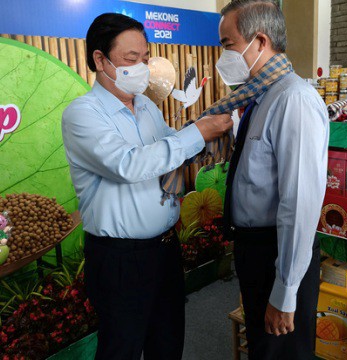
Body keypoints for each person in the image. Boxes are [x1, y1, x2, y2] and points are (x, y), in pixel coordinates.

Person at [61, 13, 232, 360]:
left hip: (165, 250)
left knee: (167, 342)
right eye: (130, 59)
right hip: (120, 259)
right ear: (100, 59)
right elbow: (129, 164)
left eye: (145, 58)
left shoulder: (147, 106)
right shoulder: (83, 114)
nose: (142, 66)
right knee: (121, 347)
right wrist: (197, 133)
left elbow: (170, 150)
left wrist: (208, 131)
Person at [218, 1, 329, 359]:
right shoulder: (260, 95)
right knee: (263, 349)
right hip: (255, 251)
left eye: (227, 45)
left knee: (281, 352)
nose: (222, 57)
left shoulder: (293, 98)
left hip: (277, 253)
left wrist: (285, 291)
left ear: (260, 41)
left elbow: (299, 204)